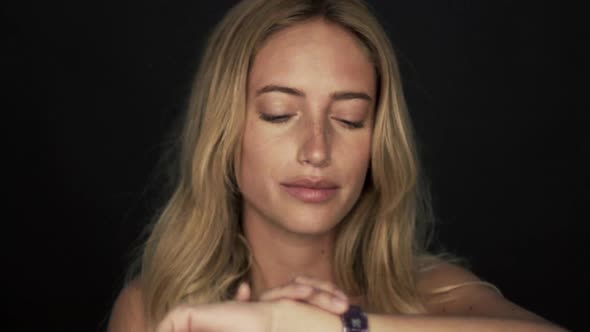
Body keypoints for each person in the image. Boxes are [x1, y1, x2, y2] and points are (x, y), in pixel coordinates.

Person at [108, 0, 565, 331]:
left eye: (348, 119)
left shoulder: (433, 295)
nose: (318, 150)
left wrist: (331, 325)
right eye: (279, 113)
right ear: (224, 131)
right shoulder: (154, 310)